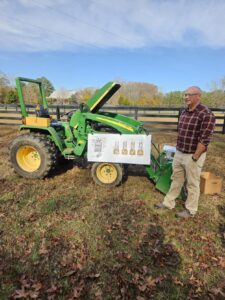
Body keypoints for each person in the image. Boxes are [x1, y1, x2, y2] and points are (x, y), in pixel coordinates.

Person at [155, 86, 215, 218]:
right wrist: (177, 149)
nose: (186, 97)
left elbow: (205, 139)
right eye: (185, 94)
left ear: (198, 96)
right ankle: (168, 203)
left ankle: (190, 210)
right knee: (175, 179)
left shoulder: (206, 114)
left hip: (193, 155)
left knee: (192, 183)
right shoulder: (184, 112)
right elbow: (181, 132)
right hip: (180, 153)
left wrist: (195, 157)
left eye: (189, 94)